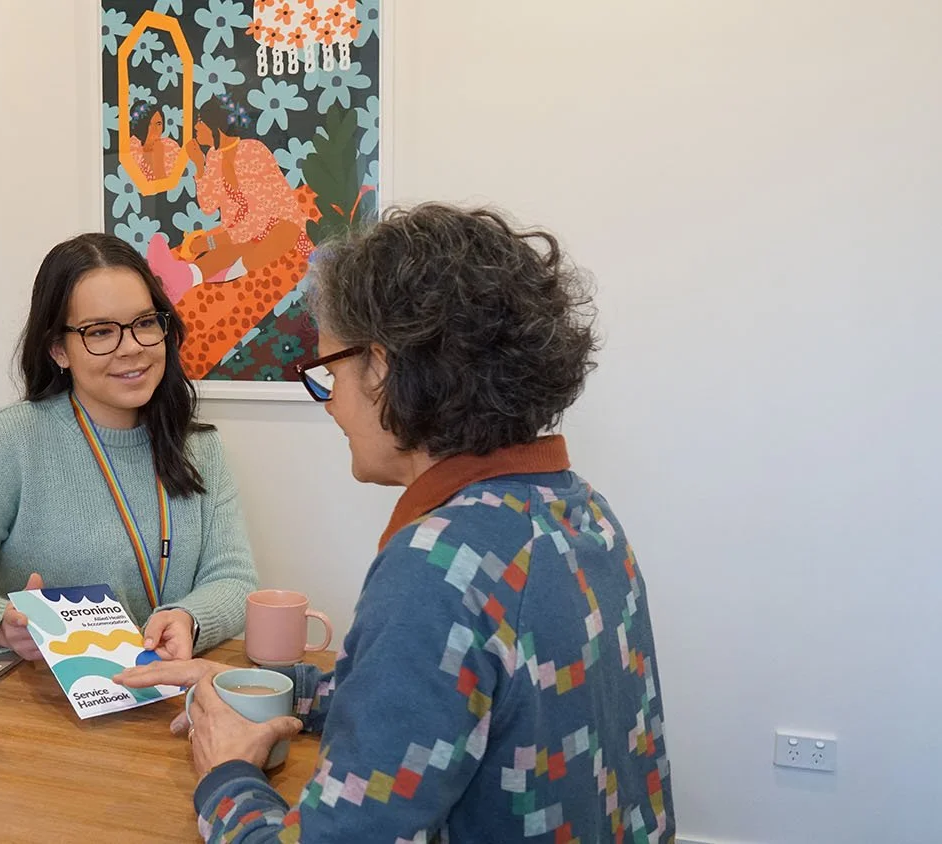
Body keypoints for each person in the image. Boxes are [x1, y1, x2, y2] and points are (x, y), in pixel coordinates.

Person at [119, 204, 675, 842]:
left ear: (380, 367)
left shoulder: (438, 567)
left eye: (329, 372)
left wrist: (226, 774)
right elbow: (430, 697)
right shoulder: (580, 513)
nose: (330, 408)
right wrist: (266, 687)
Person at [0, 232, 259, 661]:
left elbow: (233, 577)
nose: (132, 348)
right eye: (101, 332)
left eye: (144, 323)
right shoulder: (14, 439)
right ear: (58, 350)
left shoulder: (200, 447)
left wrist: (187, 618)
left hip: (164, 696)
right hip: (37, 706)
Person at [145, 93, 313, 301]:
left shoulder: (252, 151)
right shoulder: (215, 157)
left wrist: (214, 242)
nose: (196, 129)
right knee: (226, 246)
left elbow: (259, 218)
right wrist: (199, 166)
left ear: (214, 125)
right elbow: (208, 206)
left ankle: (197, 274)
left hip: (280, 229)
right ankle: (180, 278)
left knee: (240, 244)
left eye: (200, 122)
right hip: (244, 231)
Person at [126, 102, 181, 184]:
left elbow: (170, 186)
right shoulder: (131, 147)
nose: (155, 129)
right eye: (150, 124)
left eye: (159, 124)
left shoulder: (171, 146)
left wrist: (159, 158)